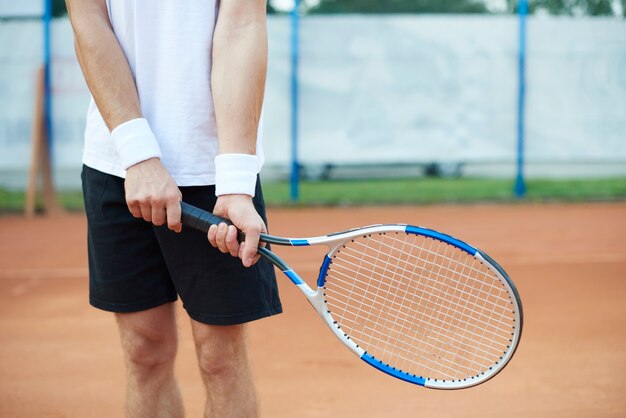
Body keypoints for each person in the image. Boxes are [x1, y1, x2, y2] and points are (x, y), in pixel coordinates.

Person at [66, 1, 282, 417]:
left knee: (221, 359)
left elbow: (242, 24)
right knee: (144, 351)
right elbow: (88, 20)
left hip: (214, 170)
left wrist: (236, 184)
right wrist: (138, 154)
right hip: (118, 163)